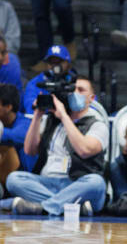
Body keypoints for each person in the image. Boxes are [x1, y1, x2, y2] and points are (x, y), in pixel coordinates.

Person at [6, 76, 107, 216]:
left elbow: (84, 150)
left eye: (81, 90)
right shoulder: (51, 120)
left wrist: (64, 116)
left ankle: (41, 208)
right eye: (72, 89)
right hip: (46, 182)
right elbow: (29, 150)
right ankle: (71, 208)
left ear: (91, 98)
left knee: (97, 182)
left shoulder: (97, 124)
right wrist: (37, 114)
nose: (75, 93)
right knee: (14, 179)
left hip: (76, 183)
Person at [22, 45, 76, 115]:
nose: (55, 66)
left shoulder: (76, 81)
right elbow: (30, 107)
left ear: (67, 63)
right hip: (44, 120)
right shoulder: (36, 83)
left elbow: (89, 104)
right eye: (51, 62)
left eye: (59, 62)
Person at [0, 84, 30, 184]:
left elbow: (13, 136)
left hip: (23, 178)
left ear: (8, 107)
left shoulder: (25, 123)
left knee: (7, 147)